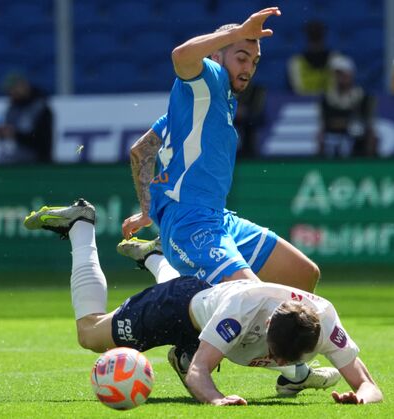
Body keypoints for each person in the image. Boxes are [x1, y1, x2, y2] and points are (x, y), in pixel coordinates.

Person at [24, 199, 383, 405]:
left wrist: (360, 398)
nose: (273, 360)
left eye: (283, 360)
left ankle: (155, 257)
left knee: (203, 329)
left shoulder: (324, 319)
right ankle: (81, 226)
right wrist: (216, 399)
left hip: (208, 302)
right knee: (89, 334)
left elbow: (370, 386)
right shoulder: (244, 307)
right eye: (275, 355)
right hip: (177, 307)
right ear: (269, 324)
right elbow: (200, 371)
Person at [122, 7, 320, 293]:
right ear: (215, 56)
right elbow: (180, 56)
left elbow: (141, 151)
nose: (249, 69)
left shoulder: (206, 104)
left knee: (303, 275)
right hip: (191, 222)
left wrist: (147, 211)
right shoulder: (209, 77)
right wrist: (240, 32)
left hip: (217, 218)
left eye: (254, 62)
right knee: (250, 297)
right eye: (241, 58)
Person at [317, 55, 377, 158]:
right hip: (333, 152)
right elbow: (321, 133)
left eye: (342, 73)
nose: (339, 77)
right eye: (336, 74)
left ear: (350, 73)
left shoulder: (363, 98)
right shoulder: (326, 101)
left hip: (359, 151)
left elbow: (371, 130)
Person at [0, 72, 52, 164]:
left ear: (23, 85)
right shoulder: (12, 109)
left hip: (35, 164)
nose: (11, 92)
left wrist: (15, 135)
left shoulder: (41, 109)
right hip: (13, 162)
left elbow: (43, 142)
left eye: (13, 88)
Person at [287, 20, 343, 95]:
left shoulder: (336, 59)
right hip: (303, 104)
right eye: (313, 35)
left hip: (331, 103)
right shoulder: (296, 62)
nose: (315, 38)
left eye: (317, 35)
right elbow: (296, 91)